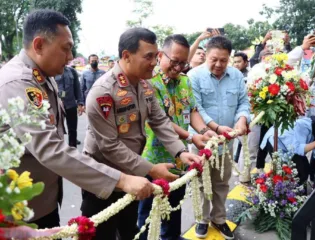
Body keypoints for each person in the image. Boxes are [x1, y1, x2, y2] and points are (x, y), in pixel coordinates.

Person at [0, 9, 154, 230]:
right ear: (39, 45)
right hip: (19, 213)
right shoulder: (18, 83)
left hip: (39, 203)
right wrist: (122, 180)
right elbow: (50, 149)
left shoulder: (43, 76)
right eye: (66, 48)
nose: (71, 57)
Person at [82, 28, 203, 240]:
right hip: (103, 180)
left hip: (132, 175)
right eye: (148, 57)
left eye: (155, 56)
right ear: (126, 56)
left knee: (130, 231)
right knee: (103, 234)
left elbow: (159, 120)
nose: (154, 62)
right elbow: (109, 146)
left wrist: (180, 152)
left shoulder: (144, 85)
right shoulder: (104, 92)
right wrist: (151, 170)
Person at [138, 34, 217, 240]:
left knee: (175, 205)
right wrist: (192, 137)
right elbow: (160, 121)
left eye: (183, 62)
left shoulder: (184, 81)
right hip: (153, 159)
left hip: (180, 157)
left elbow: (192, 111)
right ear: (160, 55)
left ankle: (172, 237)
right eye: (175, 61)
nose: (179, 67)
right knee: (149, 211)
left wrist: (202, 131)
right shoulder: (148, 82)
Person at [188, 36, 250, 240]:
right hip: (203, 143)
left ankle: (219, 218)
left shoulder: (236, 76)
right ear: (206, 54)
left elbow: (243, 102)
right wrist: (215, 127)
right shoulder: (194, 76)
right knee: (201, 183)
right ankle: (202, 219)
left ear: (229, 58)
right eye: (214, 59)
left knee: (222, 182)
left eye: (223, 60)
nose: (218, 65)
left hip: (227, 142)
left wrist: (242, 119)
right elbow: (196, 108)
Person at [260, 115, 315, 185]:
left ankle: (300, 191)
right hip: (276, 140)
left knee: (304, 167)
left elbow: (314, 154)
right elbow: (298, 149)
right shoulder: (303, 125)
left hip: (290, 144)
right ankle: (291, 192)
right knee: (296, 170)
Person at [55, 65, 85, 147]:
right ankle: (59, 151)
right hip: (57, 105)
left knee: (72, 130)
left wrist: (80, 103)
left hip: (71, 104)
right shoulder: (52, 70)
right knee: (57, 130)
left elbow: (77, 88)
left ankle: (73, 150)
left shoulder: (72, 71)